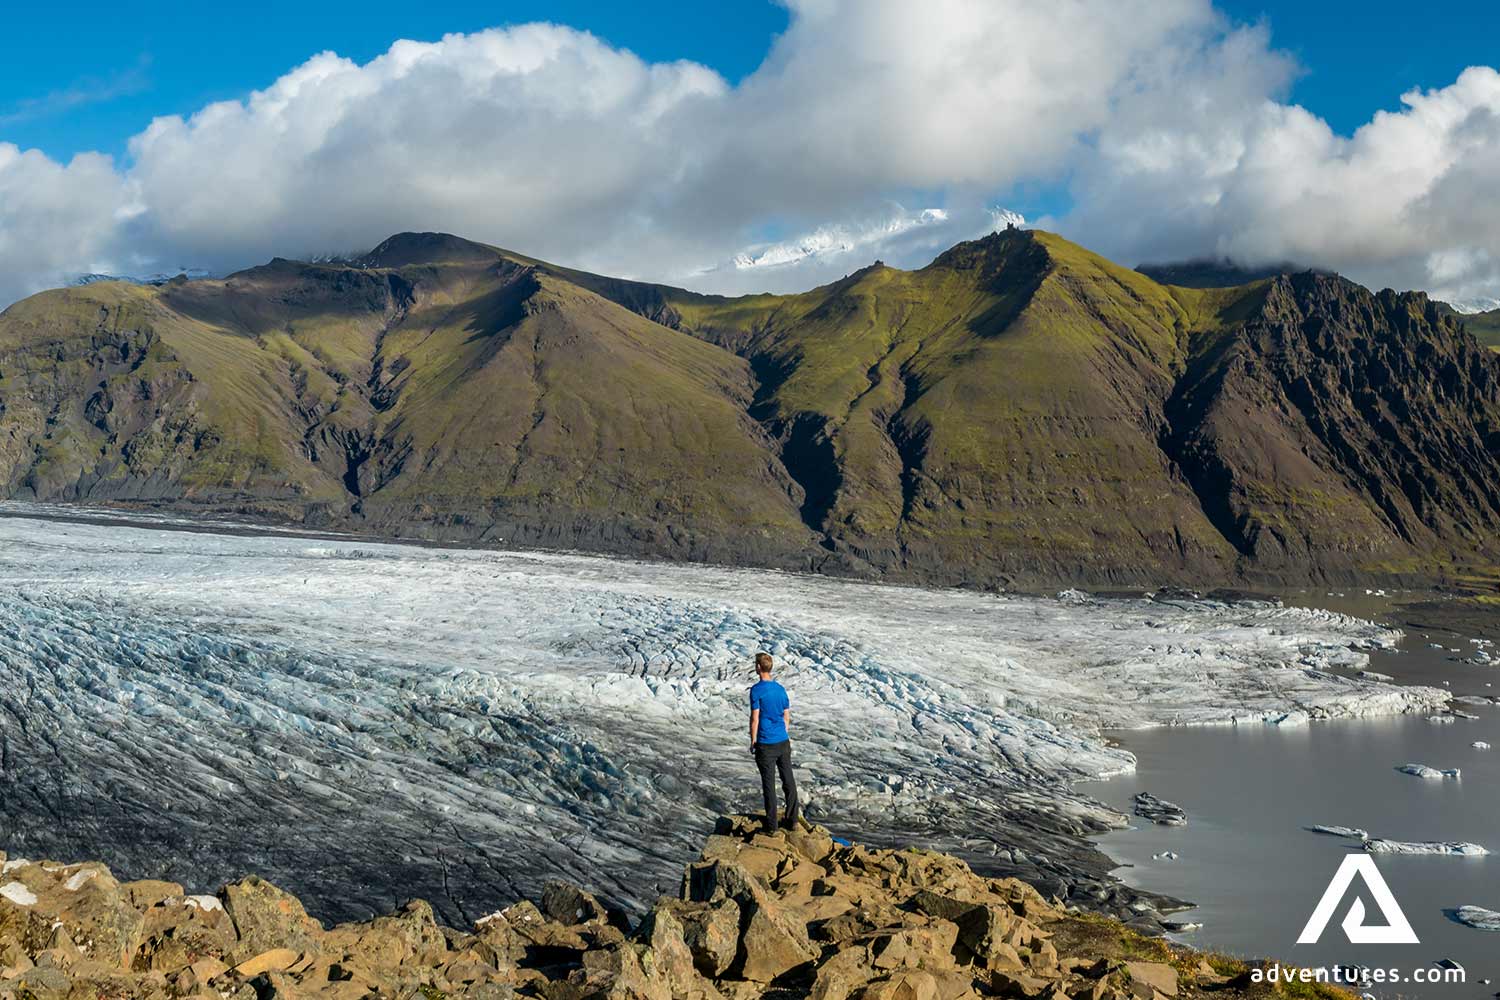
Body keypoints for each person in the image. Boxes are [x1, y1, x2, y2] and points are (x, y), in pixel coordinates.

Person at [748, 652, 799, 834]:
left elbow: (755, 718)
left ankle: (772, 826)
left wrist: (753, 740)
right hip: (782, 742)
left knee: (769, 785)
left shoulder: (757, 690)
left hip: (766, 743)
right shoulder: (780, 689)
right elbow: (786, 715)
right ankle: (792, 820)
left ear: (758, 667)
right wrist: (782, 732)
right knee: (788, 780)